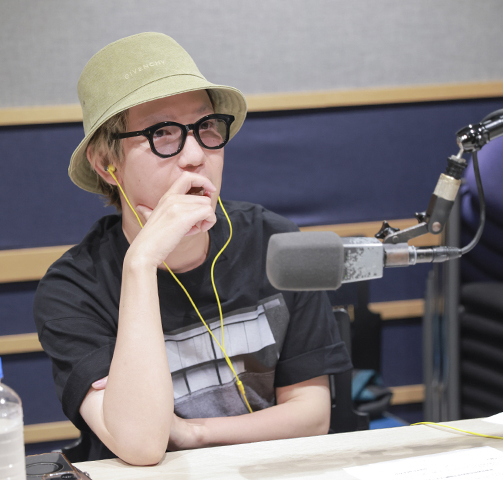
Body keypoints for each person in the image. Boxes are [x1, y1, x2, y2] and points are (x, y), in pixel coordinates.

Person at [33, 32, 352, 465]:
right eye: (162, 133)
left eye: (205, 127)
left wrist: (192, 433)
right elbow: (142, 445)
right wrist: (142, 262)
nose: (195, 155)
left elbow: (312, 416)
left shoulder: (274, 241)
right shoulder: (72, 290)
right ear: (107, 164)